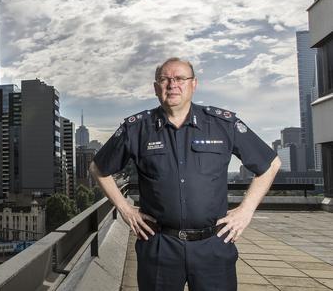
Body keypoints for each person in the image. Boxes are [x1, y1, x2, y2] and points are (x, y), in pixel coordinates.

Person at [89, 57, 280, 291]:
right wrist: (126, 209)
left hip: (213, 247)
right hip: (159, 247)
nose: (172, 85)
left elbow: (270, 164)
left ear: (194, 84)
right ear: (155, 87)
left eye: (180, 78)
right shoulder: (136, 128)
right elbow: (98, 168)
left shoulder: (223, 124)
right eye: (165, 79)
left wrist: (246, 210)